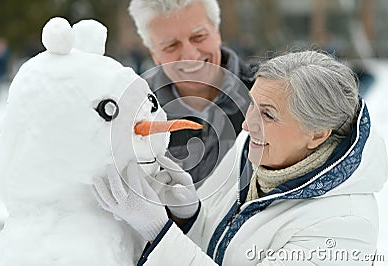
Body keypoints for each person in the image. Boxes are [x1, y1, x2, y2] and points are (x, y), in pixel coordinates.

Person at [93, 50, 388, 265]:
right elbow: (218, 251)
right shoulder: (255, 150)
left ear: (317, 134)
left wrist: (159, 232)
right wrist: (190, 217)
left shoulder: (345, 226)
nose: (247, 125)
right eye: (252, 106)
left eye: (269, 114)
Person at [128, 0, 256, 185]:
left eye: (199, 37)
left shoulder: (268, 93)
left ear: (217, 33)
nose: (190, 55)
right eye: (171, 46)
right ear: (154, 54)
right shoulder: (135, 111)